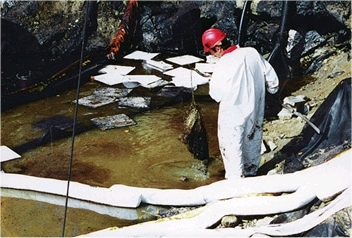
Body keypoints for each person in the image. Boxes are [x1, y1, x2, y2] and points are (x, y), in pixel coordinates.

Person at [202, 28, 279, 179]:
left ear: (217, 48)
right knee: (252, 139)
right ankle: (251, 173)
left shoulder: (222, 65)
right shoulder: (252, 52)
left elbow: (215, 95)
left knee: (231, 146)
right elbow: (273, 82)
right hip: (255, 109)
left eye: (211, 52)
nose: (212, 55)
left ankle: (236, 182)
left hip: (232, 113)